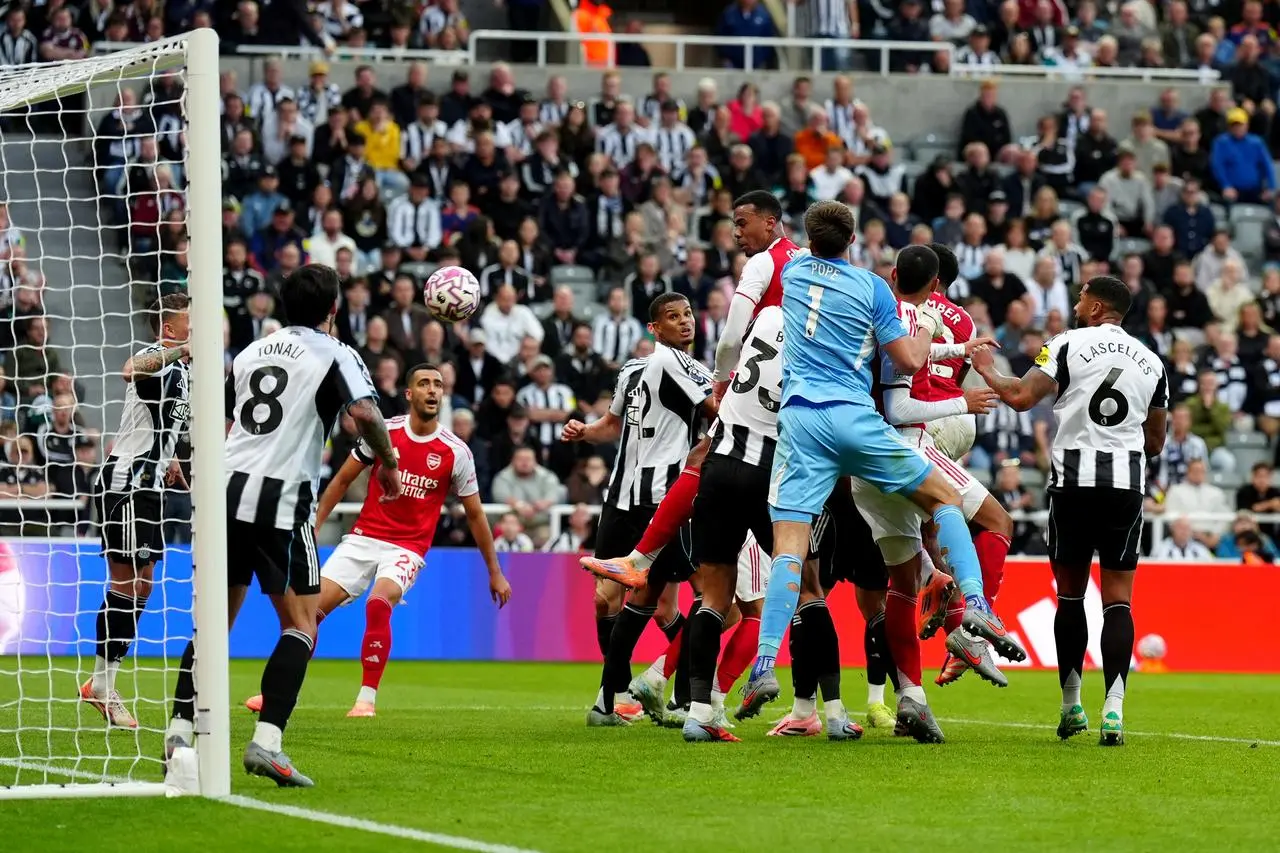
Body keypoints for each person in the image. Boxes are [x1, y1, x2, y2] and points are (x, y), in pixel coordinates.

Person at [741, 217, 1009, 744]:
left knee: (789, 552)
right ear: (855, 242)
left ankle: (764, 665)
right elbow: (908, 359)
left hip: (800, 424)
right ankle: (975, 607)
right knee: (945, 497)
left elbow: (773, 266)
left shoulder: (792, 272)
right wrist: (932, 327)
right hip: (857, 420)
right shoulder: (868, 287)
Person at [165, 265, 403, 788]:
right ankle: (267, 743)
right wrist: (386, 460)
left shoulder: (254, 350)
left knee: (214, 625)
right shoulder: (336, 352)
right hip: (281, 497)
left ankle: (179, 734)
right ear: (334, 309)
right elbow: (364, 411)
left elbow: (217, 413)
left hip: (224, 489)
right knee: (301, 625)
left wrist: (184, 455)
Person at [242, 364, 510, 719]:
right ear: (409, 394)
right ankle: (275, 692)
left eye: (438, 385)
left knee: (379, 602)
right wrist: (312, 528)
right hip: (363, 538)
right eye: (424, 384)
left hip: (407, 547)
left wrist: (495, 572)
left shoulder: (455, 451)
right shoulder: (383, 433)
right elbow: (339, 482)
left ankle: (365, 699)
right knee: (305, 613)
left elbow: (475, 515)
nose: (433, 390)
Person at [971, 275, 1168, 746]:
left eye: (1082, 297)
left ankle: (1070, 704)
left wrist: (986, 368)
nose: (1076, 302)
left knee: (1072, 597)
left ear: (1098, 307)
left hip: (1073, 485)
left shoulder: (1067, 343)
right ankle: (1115, 710)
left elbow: (1019, 397)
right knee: (1119, 599)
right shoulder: (1153, 362)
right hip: (1125, 485)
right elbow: (1156, 441)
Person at [577, 190, 801, 591]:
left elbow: (732, 330)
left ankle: (640, 560)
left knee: (706, 459)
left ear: (770, 222)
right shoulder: (804, 262)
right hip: (801, 386)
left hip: (762, 381)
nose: (735, 233)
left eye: (742, 223)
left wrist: (721, 374)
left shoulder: (763, 262)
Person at [561, 293, 718, 726]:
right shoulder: (642, 370)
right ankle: (643, 694)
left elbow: (714, 411)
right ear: (655, 329)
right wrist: (584, 431)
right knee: (614, 600)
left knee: (671, 598)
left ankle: (618, 699)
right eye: (673, 317)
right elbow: (612, 426)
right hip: (635, 497)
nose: (685, 322)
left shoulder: (678, 369)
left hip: (652, 497)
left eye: (688, 314)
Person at [83, 294, 191, 729]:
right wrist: (181, 350)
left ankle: (102, 684)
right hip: (125, 484)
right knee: (127, 583)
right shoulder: (159, 356)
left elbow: (158, 425)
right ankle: (101, 688)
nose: (196, 329)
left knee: (144, 586)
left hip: (149, 487)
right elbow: (130, 369)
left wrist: (173, 463)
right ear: (169, 328)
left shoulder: (184, 370)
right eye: (190, 322)